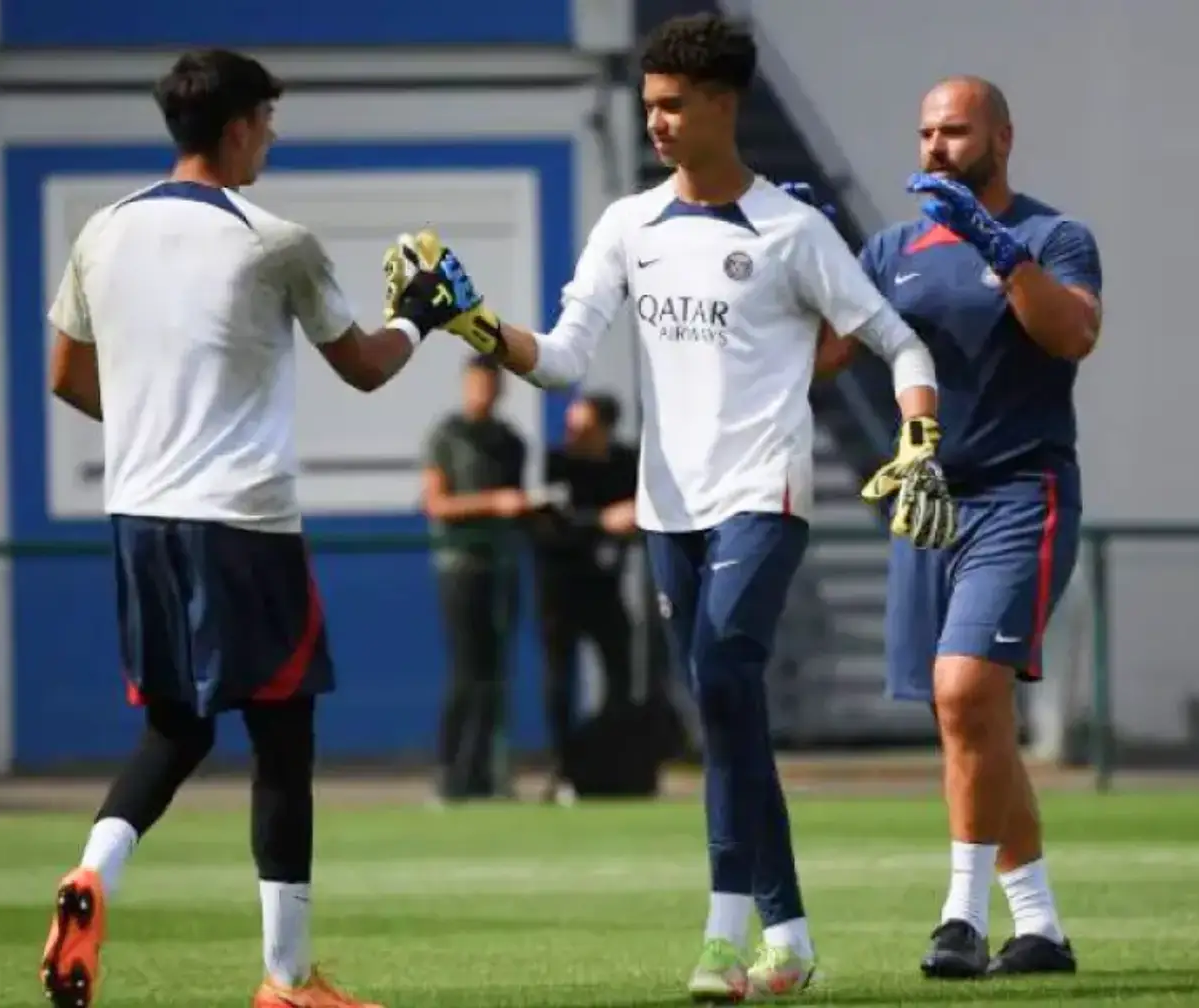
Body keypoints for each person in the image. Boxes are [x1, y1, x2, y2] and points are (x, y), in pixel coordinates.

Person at [388, 14, 952, 999]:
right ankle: (793, 937)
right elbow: (561, 361)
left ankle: (723, 939)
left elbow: (901, 343)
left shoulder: (792, 231)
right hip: (667, 509)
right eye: (648, 103)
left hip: (762, 495)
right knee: (727, 713)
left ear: (723, 106)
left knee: (725, 673)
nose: (653, 120)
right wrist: (469, 324)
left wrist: (919, 438)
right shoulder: (628, 226)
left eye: (670, 104)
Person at [36, 47, 470, 1008]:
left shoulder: (100, 232)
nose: (271, 138)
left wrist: (159, 415)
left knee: (176, 729)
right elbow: (364, 366)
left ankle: (92, 877)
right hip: (242, 525)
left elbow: (66, 374)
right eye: (267, 122)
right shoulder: (275, 241)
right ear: (236, 126)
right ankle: (286, 981)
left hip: (139, 518)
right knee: (283, 744)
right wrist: (422, 317)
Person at [798, 75, 1103, 979]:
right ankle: (1040, 928)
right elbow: (826, 357)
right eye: (926, 132)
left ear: (1002, 137)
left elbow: (1075, 335)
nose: (934, 146)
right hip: (927, 500)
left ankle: (959, 921)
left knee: (969, 692)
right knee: (966, 717)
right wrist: (802, 258)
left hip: (1020, 491)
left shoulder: (1052, 237)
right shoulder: (890, 246)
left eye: (955, 131)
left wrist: (1002, 255)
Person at [420, 356, 531, 802]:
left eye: (491, 383)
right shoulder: (447, 437)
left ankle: (486, 776)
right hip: (459, 567)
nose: (483, 391)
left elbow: (518, 502)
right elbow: (437, 504)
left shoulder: (511, 442)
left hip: (502, 568)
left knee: (495, 675)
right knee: (465, 673)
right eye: (477, 383)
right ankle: (449, 776)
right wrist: (493, 504)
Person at [531, 392, 641, 804]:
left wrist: (634, 517)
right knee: (559, 679)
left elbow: (647, 507)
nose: (575, 435)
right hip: (559, 588)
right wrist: (601, 521)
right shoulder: (555, 463)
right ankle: (565, 768)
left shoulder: (626, 463)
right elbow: (548, 521)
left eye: (585, 428)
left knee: (622, 672)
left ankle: (610, 762)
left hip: (604, 587)